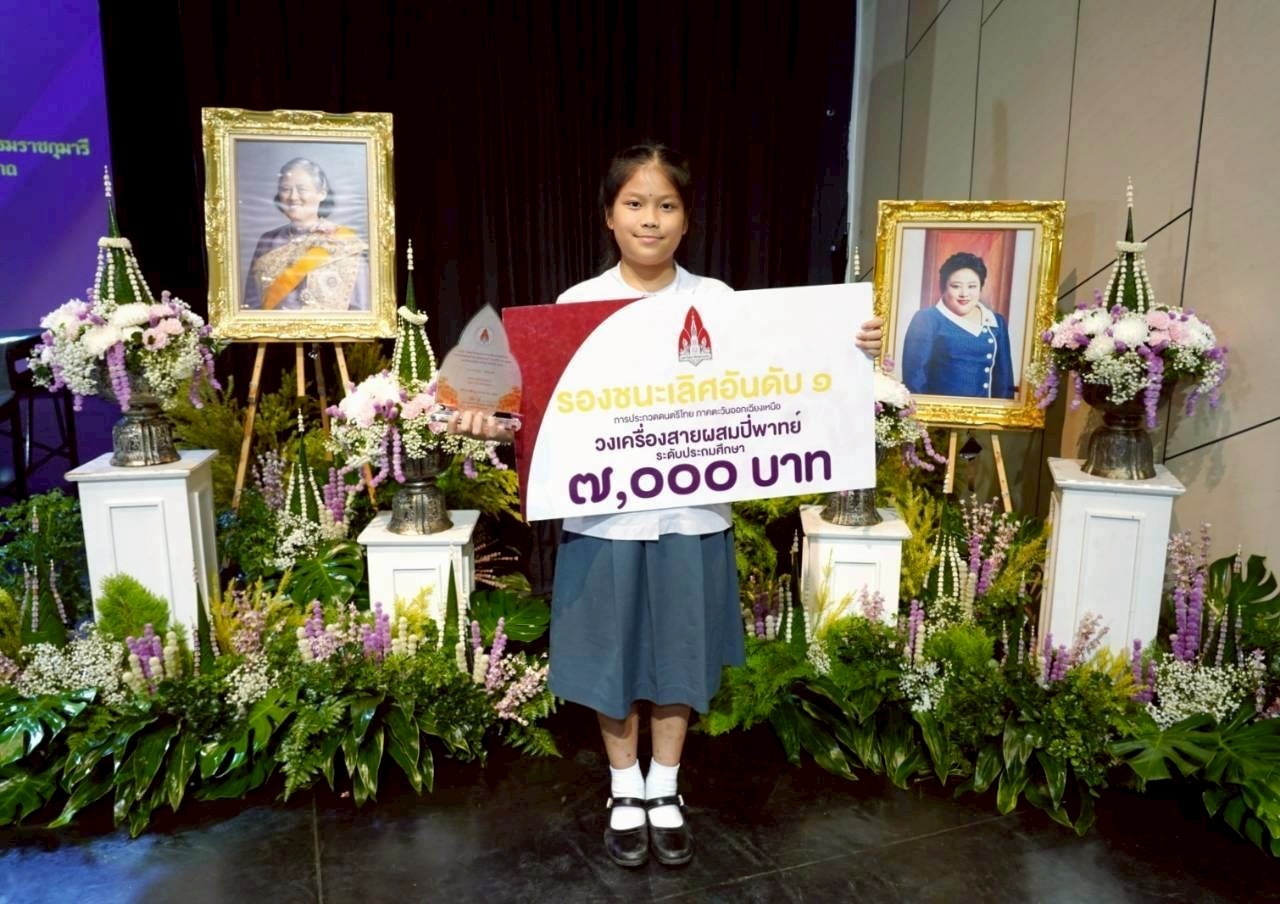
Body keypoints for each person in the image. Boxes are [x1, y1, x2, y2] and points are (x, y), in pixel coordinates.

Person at [547, 143, 884, 869]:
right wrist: (488, 415)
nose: (650, 219)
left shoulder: (720, 302)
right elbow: (540, 413)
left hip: (693, 516)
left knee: (680, 650)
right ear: (609, 215)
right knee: (612, 653)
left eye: (666, 205)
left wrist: (851, 346)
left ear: (686, 219)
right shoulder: (575, 307)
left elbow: (790, 373)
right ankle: (623, 787)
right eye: (635, 204)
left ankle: (664, 786)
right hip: (604, 517)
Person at [241, 157, 370, 312]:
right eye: (285, 189)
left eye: (301, 189)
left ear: (322, 193)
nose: (293, 197)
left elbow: (362, 310)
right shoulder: (268, 241)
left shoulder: (344, 241)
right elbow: (252, 306)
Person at [899, 251, 1015, 399]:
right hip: (940, 411)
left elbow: (1005, 380)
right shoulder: (927, 319)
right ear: (943, 288)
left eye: (972, 286)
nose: (964, 293)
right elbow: (914, 381)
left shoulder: (996, 321)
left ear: (981, 288)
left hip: (986, 412)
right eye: (956, 286)